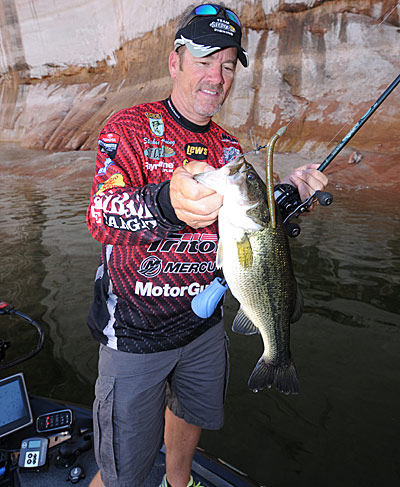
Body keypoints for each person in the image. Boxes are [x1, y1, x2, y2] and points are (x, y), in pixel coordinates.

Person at [86, 3, 329, 487]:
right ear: (175, 62)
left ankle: (179, 483)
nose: (216, 76)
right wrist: (165, 203)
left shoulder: (230, 148)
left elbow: (246, 225)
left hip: (203, 329)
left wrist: (286, 194)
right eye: (204, 60)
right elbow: (99, 215)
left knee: (189, 420)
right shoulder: (128, 128)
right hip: (135, 337)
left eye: (227, 64)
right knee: (122, 472)